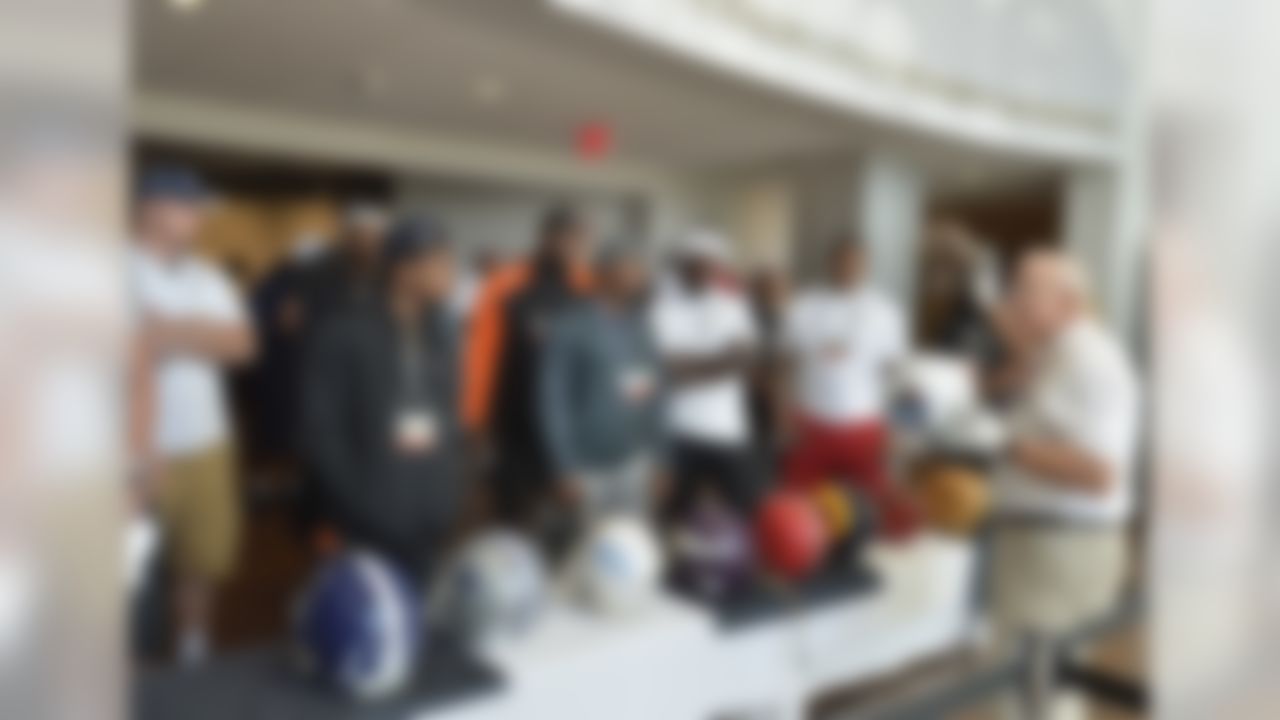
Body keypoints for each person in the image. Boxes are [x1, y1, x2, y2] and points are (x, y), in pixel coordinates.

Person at [989, 249, 1140, 719]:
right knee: (1040, 691)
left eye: (1025, 292)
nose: (1012, 302)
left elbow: (1099, 473)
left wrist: (1001, 445)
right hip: (1042, 548)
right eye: (1013, 289)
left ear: (1069, 302)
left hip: (1057, 549)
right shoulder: (1056, 353)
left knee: (1036, 696)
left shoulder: (1088, 360)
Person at [129, 166, 256, 665]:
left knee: (201, 557)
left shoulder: (207, 276)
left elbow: (244, 347)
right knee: (124, 572)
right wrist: (203, 333)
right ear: (152, 207)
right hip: (131, 448)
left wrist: (168, 332)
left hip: (207, 442)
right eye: (189, 207)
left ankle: (193, 646)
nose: (200, 217)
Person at [301, 217, 463, 577]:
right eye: (438, 263)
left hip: (428, 508)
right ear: (403, 270)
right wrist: (358, 502)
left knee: (421, 611)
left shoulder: (443, 331)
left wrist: (446, 494)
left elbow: (447, 413)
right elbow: (321, 429)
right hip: (369, 516)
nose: (449, 272)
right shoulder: (344, 330)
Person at [462, 205, 593, 530]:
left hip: (569, 429)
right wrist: (476, 421)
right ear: (546, 238)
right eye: (566, 237)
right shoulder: (505, 283)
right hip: (513, 426)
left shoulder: (589, 286)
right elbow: (481, 355)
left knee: (565, 522)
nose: (573, 247)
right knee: (510, 518)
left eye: (580, 239)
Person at [778, 235, 914, 534]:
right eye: (842, 261)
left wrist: (898, 427)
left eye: (856, 262)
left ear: (867, 266)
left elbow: (895, 374)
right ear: (830, 263)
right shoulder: (804, 306)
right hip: (811, 422)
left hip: (864, 425)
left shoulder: (886, 311)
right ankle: (805, 565)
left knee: (870, 508)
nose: (848, 268)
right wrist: (782, 416)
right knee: (798, 508)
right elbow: (785, 368)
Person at [539, 244, 666, 524]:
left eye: (641, 269)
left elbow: (656, 395)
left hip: (635, 465)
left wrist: (661, 459)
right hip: (586, 470)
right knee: (587, 552)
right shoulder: (570, 326)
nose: (642, 275)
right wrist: (564, 467)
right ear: (605, 272)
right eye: (632, 268)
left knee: (632, 547)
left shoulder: (640, 326)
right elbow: (553, 400)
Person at [649, 229, 760, 520]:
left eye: (710, 265)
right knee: (673, 514)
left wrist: (692, 365)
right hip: (676, 430)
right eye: (695, 265)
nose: (703, 272)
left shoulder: (733, 306)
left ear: (718, 268)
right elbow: (668, 371)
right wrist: (724, 362)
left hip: (728, 430)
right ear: (681, 267)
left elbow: (746, 360)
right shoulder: (660, 308)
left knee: (740, 514)